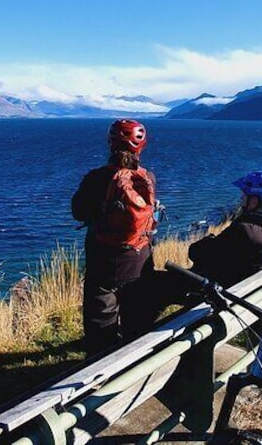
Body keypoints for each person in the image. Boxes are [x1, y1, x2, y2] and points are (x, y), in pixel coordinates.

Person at [71, 119, 158, 355]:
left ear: (110, 143)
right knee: (137, 315)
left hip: (103, 258)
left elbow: (77, 211)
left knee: (101, 318)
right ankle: (135, 361)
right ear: (141, 146)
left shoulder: (96, 178)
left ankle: (99, 368)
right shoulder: (148, 177)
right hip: (139, 256)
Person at [188, 170, 262, 288]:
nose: (241, 198)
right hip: (251, 290)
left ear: (254, 201)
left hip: (222, 291)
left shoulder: (244, 230)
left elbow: (197, 253)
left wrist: (209, 239)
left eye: (244, 195)